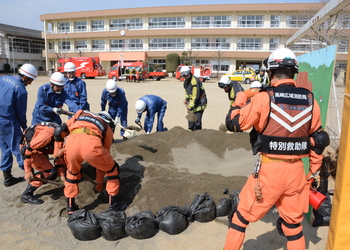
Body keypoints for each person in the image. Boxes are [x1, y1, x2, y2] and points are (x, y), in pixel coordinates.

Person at [224, 48, 329, 250]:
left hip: (268, 173)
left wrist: (241, 97)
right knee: (293, 226)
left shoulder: (263, 98)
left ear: (271, 72)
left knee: (239, 219)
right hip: (297, 173)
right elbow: (319, 141)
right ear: (294, 73)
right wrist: (311, 174)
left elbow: (234, 122)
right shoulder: (310, 100)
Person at [55, 110, 121, 215]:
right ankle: (113, 205)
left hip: (71, 144)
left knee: (72, 174)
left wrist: (57, 154)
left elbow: (59, 130)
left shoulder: (81, 115)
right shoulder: (106, 126)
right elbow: (103, 160)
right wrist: (99, 182)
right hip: (91, 145)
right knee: (112, 170)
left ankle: (71, 207)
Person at [0, 63, 38, 187]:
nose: (30, 83)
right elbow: (21, 113)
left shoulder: (3, 78)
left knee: (5, 149)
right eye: (31, 80)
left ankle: (7, 178)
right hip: (9, 122)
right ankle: (31, 180)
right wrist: (24, 128)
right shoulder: (20, 90)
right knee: (19, 150)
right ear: (26, 77)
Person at [20, 122, 66, 204]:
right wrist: (28, 171)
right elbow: (27, 151)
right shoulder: (46, 136)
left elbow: (58, 157)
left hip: (40, 146)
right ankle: (27, 194)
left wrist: (61, 176)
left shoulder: (61, 134)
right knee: (50, 173)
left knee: (64, 157)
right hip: (30, 149)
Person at [181, 66, 207, 131]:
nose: (185, 77)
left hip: (200, 102)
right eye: (184, 76)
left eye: (186, 75)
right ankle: (190, 132)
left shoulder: (195, 81)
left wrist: (190, 107)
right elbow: (187, 91)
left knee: (197, 121)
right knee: (190, 120)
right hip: (193, 102)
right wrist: (186, 99)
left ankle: (198, 134)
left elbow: (196, 95)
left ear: (189, 73)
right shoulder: (186, 81)